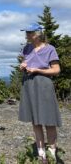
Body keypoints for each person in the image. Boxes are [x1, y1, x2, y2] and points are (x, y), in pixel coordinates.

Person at [18, 23, 61, 162]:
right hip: (29, 85)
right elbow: (25, 63)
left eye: (29, 32)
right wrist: (23, 66)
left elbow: (56, 70)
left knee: (49, 119)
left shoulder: (50, 49)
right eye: (26, 32)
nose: (27, 35)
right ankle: (41, 152)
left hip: (43, 84)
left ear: (37, 34)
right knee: (35, 120)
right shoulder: (27, 48)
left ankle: (52, 152)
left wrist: (37, 70)